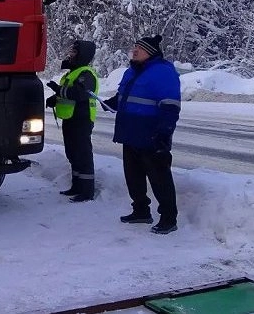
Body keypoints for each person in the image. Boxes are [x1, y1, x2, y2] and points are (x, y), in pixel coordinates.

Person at [101, 35, 181, 234]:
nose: (135, 50)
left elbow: (171, 106)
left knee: (159, 178)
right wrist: (113, 103)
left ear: (151, 52)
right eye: (134, 47)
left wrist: (164, 132)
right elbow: (124, 96)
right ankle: (141, 211)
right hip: (130, 133)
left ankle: (169, 218)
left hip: (152, 135)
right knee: (133, 176)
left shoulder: (163, 72)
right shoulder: (132, 71)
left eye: (140, 48)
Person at [46, 40, 99, 202]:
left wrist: (58, 90)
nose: (71, 55)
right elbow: (67, 93)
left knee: (82, 155)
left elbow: (79, 94)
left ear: (82, 55)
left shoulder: (86, 74)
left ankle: (87, 191)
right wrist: (55, 98)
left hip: (81, 119)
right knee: (73, 154)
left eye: (74, 52)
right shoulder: (73, 72)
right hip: (70, 119)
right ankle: (77, 186)